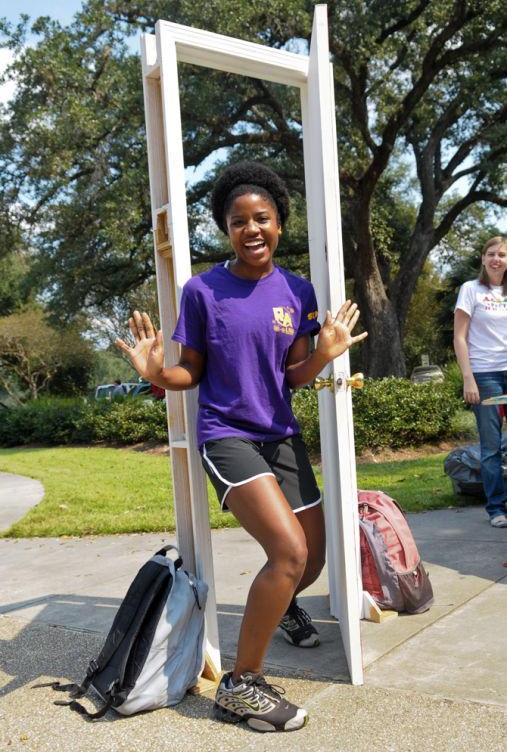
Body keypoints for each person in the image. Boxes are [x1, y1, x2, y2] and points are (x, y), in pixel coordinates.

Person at [116, 162, 367, 732]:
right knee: (289, 554)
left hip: (280, 434)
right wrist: (157, 371)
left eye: (262, 218)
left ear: (279, 223)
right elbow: (190, 374)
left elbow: (294, 375)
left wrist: (325, 354)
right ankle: (240, 685)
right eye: (238, 222)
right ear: (226, 229)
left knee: (314, 556)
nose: (251, 229)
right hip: (226, 434)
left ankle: (277, 606)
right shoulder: (203, 290)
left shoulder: (297, 290)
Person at [454, 235, 507, 528]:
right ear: (483, 258)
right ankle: (497, 508)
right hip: (485, 376)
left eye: (502, 254)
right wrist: (468, 378)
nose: (497, 259)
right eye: (492, 254)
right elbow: (460, 337)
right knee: (491, 447)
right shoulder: (471, 290)